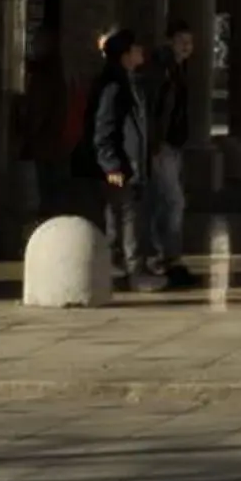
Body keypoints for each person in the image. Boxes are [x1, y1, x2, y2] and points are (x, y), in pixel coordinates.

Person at [77, 30, 161, 292]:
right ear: (125, 54)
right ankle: (129, 272)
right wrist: (111, 164)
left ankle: (125, 271)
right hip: (120, 165)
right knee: (125, 219)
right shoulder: (113, 86)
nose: (141, 53)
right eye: (136, 49)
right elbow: (104, 128)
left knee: (125, 217)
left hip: (132, 163)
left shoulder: (129, 81)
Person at [145, 22, 195, 288]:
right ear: (169, 42)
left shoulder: (177, 70)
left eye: (189, 41)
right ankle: (165, 256)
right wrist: (154, 142)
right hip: (162, 145)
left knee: (167, 201)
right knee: (171, 201)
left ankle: (166, 255)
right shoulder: (163, 71)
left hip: (172, 144)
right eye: (181, 40)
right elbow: (156, 109)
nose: (186, 46)